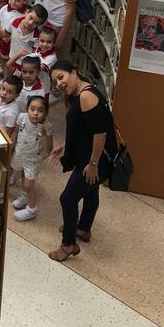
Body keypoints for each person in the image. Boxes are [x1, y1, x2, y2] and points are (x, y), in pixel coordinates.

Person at [46, 60, 118, 262]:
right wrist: (66, 147)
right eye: (55, 81)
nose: (59, 83)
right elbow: (84, 130)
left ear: (74, 72)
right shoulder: (81, 92)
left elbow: (100, 134)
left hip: (94, 161)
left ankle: (68, 245)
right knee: (90, 191)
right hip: (89, 157)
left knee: (67, 199)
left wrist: (93, 164)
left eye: (61, 77)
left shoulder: (86, 96)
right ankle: (83, 229)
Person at [9, 95, 54, 222]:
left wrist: (44, 134)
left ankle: (31, 210)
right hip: (19, 154)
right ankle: (25, 196)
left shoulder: (48, 126)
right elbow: (16, 133)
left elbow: (49, 149)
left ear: (46, 112)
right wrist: (11, 147)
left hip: (33, 161)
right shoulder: (22, 117)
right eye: (32, 109)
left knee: (29, 185)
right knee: (23, 177)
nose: (35, 113)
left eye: (40, 110)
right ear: (27, 109)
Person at [0, 0, 29, 79]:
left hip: (16, 43)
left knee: (14, 63)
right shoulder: (5, 8)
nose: (13, 2)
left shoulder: (26, 15)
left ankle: (12, 82)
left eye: (17, 0)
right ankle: (5, 80)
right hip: (2, 40)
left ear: (25, 0)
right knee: (4, 59)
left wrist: (10, 37)